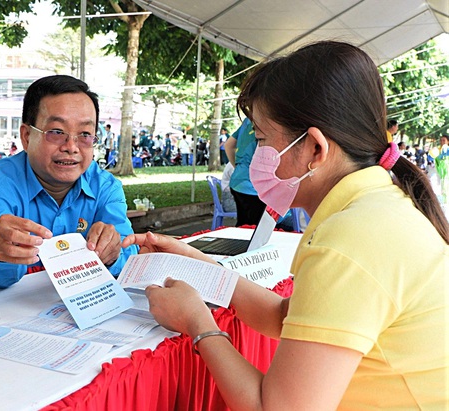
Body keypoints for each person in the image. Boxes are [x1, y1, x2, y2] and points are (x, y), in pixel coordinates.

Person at [123, 41, 448, 409]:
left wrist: (198, 324)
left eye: (261, 139)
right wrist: (199, 264)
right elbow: (284, 316)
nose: (256, 156)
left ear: (314, 149)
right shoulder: (378, 208)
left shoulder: (350, 239)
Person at [0, 75, 137, 288]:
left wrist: (113, 255)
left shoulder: (105, 187)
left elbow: (129, 262)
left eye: (85, 134)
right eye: (57, 132)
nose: (72, 146)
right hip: (6, 309)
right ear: (27, 136)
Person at [224, 118, 266, 226]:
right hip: (254, 185)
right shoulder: (268, 117)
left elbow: (228, 145)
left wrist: (239, 167)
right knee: (258, 229)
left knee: (243, 225)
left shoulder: (248, 120)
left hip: (238, 180)